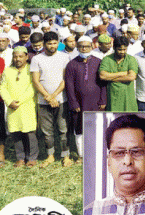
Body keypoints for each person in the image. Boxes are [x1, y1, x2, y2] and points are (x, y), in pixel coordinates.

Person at [30, 32, 72, 167]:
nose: (52, 46)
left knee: (63, 129)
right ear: (44, 43)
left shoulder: (65, 57)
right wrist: (48, 98)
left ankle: (66, 155)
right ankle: (50, 155)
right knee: (47, 131)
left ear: (58, 43)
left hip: (61, 99)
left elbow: (66, 80)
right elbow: (36, 81)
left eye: (54, 43)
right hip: (43, 101)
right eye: (49, 43)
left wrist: (53, 96)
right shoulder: (37, 59)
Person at [65, 36, 107, 159]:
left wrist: (103, 99)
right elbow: (69, 85)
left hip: (96, 102)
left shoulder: (99, 62)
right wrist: (73, 103)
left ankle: (97, 152)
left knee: (97, 126)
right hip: (79, 103)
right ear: (77, 47)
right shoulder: (72, 64)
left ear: (92, 47)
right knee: (79, 128)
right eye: (81, 46)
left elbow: (103, 83)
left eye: (87, 46)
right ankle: (82, 155)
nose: (84, 49)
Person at [0, 47, 29, 168]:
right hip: (8, 100)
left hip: (4, 101)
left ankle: (1, 156)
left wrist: (10, 101)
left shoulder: (1, 61)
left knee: (1, 129)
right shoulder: (8, 68)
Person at [99, 36, 139, 112]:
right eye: (120, 49)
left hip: (128, 98)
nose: (122, 52)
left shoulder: (131, 59)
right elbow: (102, 76)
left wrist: (111, 78)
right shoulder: (107, 59)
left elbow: (131, 77)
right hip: (112, 97)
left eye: (124, 49)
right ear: (114, 48)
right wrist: (123, 73)